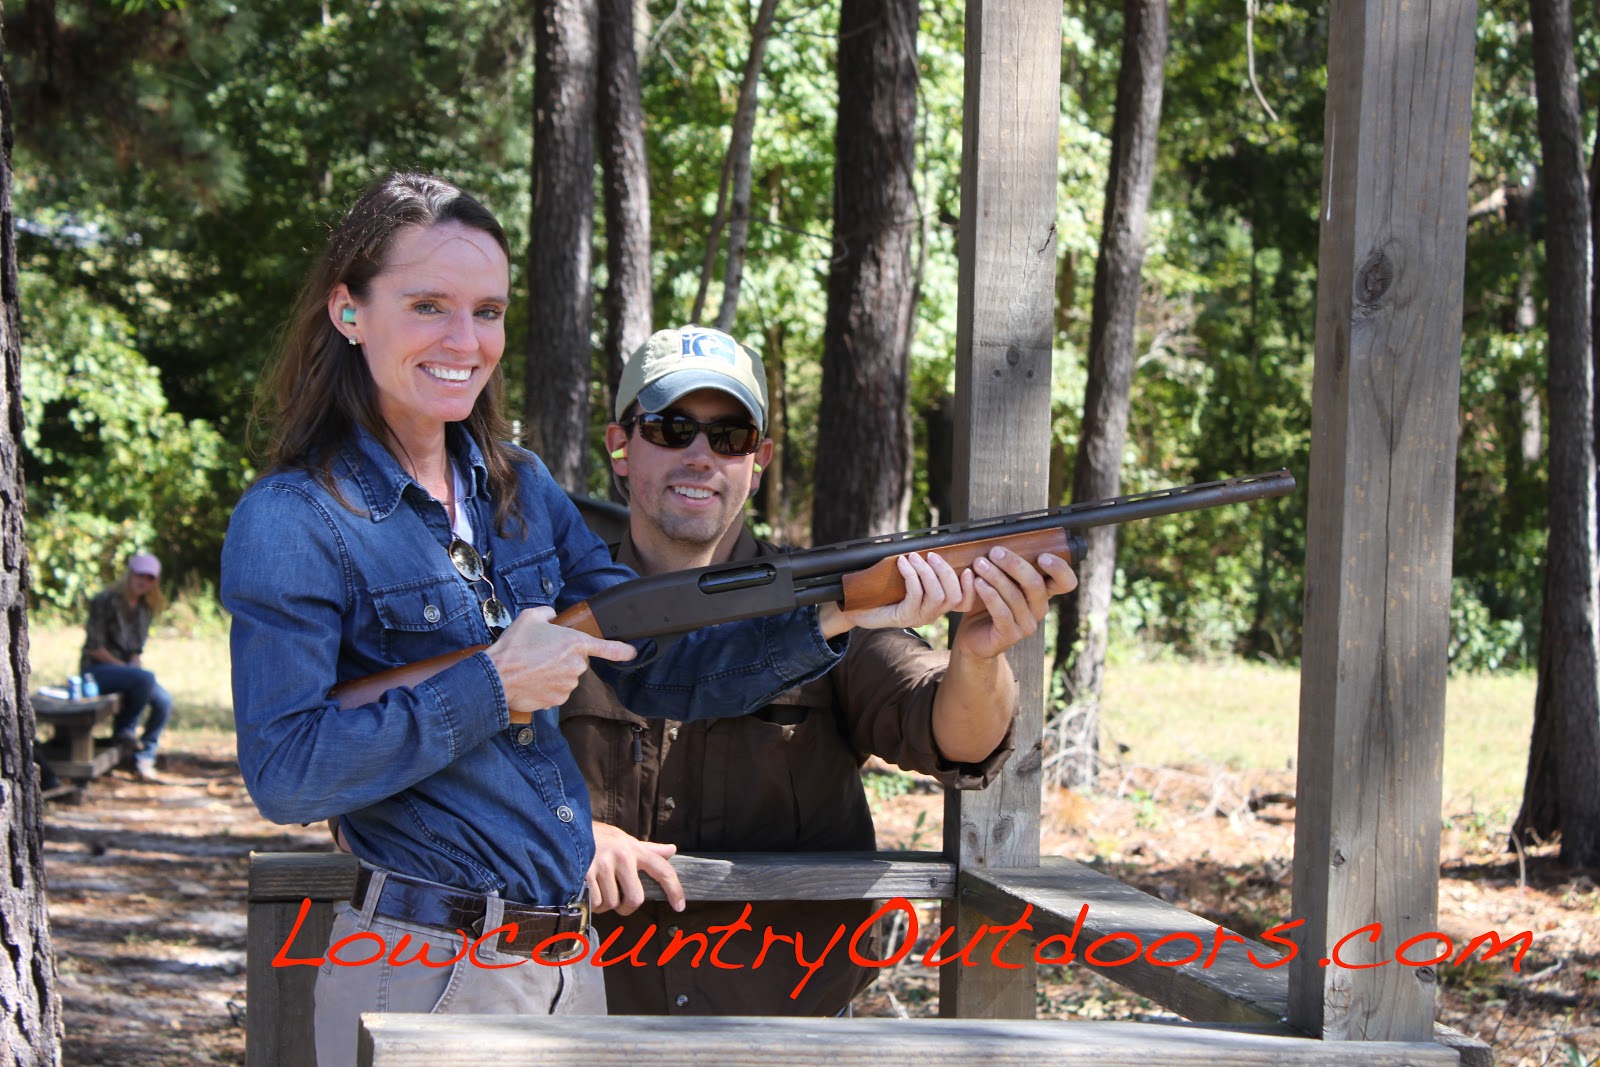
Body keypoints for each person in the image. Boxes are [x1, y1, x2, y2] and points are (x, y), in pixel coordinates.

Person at [219, 173, 973, 1066]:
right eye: (429, 305)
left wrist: (847, 608)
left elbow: (660, 667)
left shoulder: (519, 489)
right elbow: (287, 772)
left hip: (567, 969)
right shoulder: (294, 517)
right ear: (349, 311)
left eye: (489, 311)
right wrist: (492, 685)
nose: (466, 340)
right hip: (430, 965)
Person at [558, 324, 1078, 1016]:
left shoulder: (824, 601)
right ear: (620, 447)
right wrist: (562, 827)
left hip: (787, 1035)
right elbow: (457, 759)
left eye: (730, 436)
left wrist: (979, 657)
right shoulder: (549, 609)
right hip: (583, 1021)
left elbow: (957, 737)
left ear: (760, 458)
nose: (700, 455)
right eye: (671, 427)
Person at [81, 551, 173, 783]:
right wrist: (129, 670)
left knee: (163, 701)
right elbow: (95, 647)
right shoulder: (105, 600)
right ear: (130, 575)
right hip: (96, 670)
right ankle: (125, 733)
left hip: (128, 673)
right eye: (140, 575)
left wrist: (133, 669)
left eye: (150, 578)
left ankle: (144, 758)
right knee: (143, 679)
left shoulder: (144, 608)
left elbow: (136, 650)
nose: (144, 581)